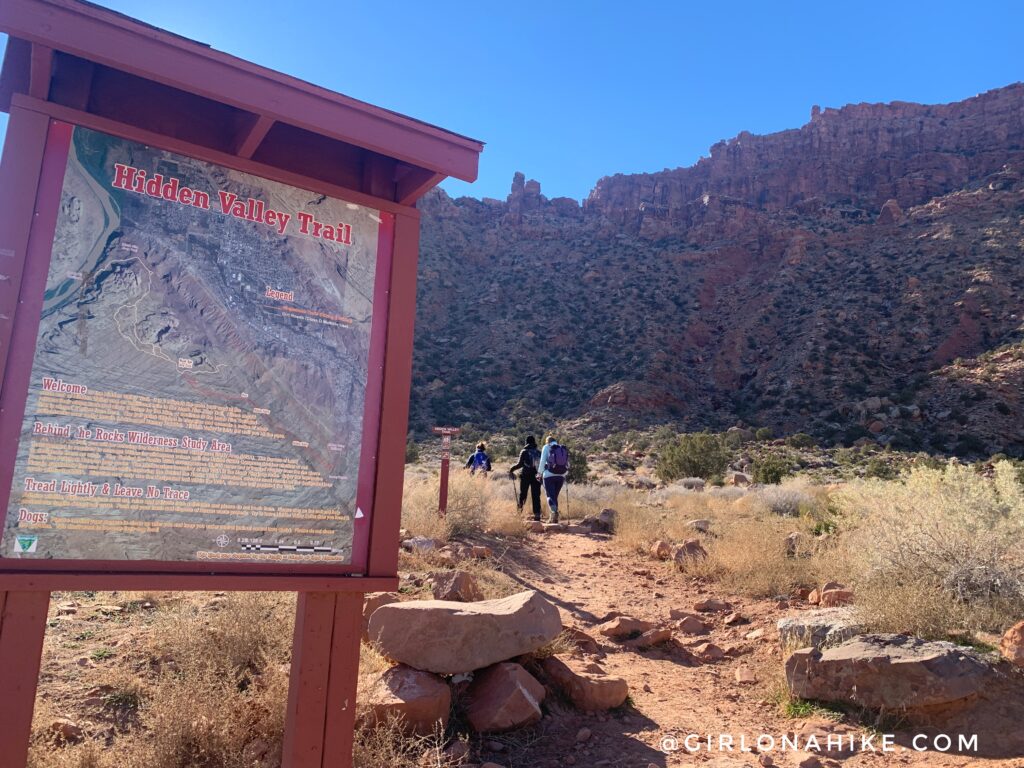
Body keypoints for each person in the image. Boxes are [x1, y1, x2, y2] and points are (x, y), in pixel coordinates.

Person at [508, 435, 542, 521]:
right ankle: (537, 515)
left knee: (523, 495)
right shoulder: (538, 452)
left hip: (525, 475)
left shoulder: (524, 451)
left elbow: (520, 464)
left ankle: (519, 513)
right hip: (536, 476)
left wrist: (511, 469)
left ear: (526, 442)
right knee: (536, 495)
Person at [538, 435, 570, 523]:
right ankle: (554, 519)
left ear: (547, 441)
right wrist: (564, 473)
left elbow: (542, 461)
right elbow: (567, 463)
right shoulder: (561, 448)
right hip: (561, 476)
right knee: (555, 496)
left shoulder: (546, 447)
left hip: (549, 475)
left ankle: (554, 513)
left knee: (549, 496)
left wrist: (539, 473)